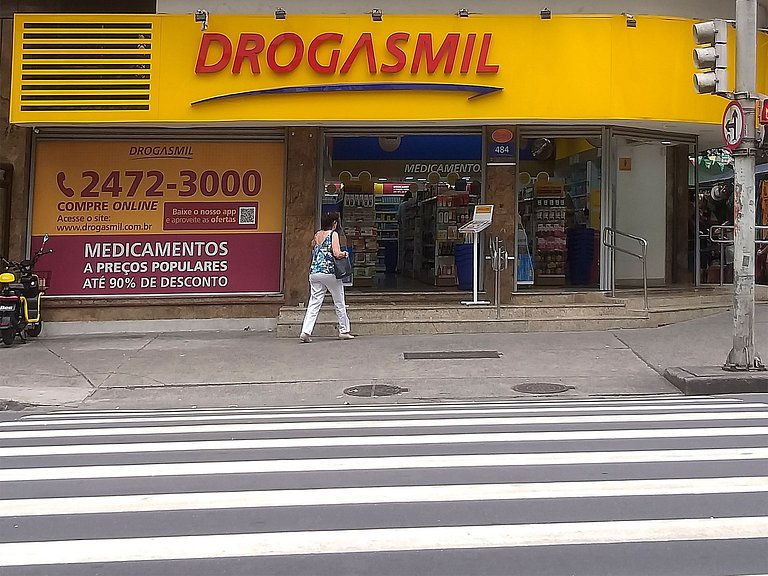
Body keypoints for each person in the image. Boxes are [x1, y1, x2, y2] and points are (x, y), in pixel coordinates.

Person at [299, 211, 354, 343]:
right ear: (334, 223)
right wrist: (344, 254)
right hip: (329, 273)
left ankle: (306, 331)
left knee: (314, 303)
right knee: (339, 302)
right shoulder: (333, 234)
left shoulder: (317, 234)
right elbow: (336, 253)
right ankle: (344, 330)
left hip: (314, 273)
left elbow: (314, 246)